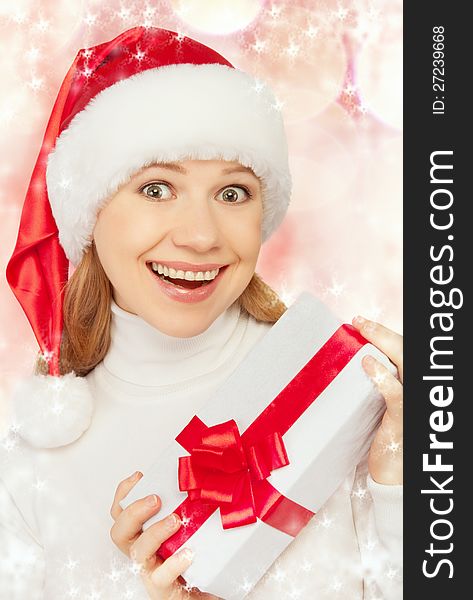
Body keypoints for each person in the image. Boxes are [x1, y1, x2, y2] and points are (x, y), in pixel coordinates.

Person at [1, 27, 403, 600]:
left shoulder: (345, 387)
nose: (199, 236)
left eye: (233, 192)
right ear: (88, 213)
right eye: (157, 188)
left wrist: (407, 480)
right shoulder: (32, 464)